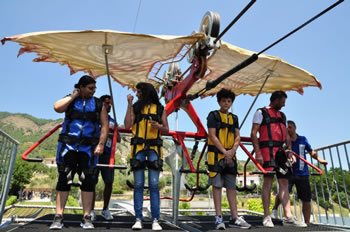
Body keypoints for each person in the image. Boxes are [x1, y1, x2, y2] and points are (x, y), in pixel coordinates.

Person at [49, 75, 108, 230]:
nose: (93, 91)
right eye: (90, 88)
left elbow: (104, 125)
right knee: (64, 178)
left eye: (94, 88)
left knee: (88, 181)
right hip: (67, 148)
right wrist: (73, 96)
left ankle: (87, 217)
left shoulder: (98, 104)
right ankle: (58, 217)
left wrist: (101, 144)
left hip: (88, 149)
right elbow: (57, 107)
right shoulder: (70, 99)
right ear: (80, 87)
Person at [251, 90, 303, 227]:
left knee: (285, 183)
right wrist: (258, 153)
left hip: (281, 153)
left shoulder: (282, 115)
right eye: (282, 102)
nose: (284, 105)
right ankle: (267, 216)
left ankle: (288, 216)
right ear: (275, 100)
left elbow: (286, 137)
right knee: (268, 181)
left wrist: (290, 152)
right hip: (267, 151)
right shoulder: (260, 112)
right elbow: (253, 133)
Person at [124, 82, 169, 231]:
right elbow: (127, 125)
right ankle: (138, 219)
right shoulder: (136, 107)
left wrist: (158, 127)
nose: (136, 94)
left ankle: (155, 219)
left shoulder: (161, 108)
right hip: (138, 149)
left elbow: (166, 129)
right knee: (138, 185)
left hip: (154, 149)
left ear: (145, 92)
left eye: (138, 92)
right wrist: (129, 104)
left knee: (154, 185)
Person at [206, 88, 251, 230]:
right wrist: (225, 152)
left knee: (231, 187)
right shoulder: (212, 115)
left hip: (231, 157)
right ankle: (219, 218)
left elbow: (237, 136)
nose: (226, 103)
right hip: (216, 156)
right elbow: (212, 135)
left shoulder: (234, 118)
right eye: (224, 101)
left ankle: (234, 217)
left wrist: (232, 151)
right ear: (219, 101)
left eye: (229, 101)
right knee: (217, 186)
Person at [271, 120, 328, 226]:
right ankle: (275, 210)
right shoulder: (284, 141)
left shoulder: (303, 139)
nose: (288, 129)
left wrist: (320, 159)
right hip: (288, 172)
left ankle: (306, 222)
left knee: (306, 198)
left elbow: (311, 151)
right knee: (283, 193)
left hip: (302, 173)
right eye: (286, 127)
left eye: (290, 127)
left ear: (295, 128)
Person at [90, 95, 117, 221]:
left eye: (110, 103)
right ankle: (90, 210)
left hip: (108, 155)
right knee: (91, 181)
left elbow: (119, 137)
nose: (109, 105)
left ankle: (105, 209)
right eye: (106, 103)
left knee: (109, 182)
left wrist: (111, 133)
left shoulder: (112, 120)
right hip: (95, 153)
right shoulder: (95, 118)